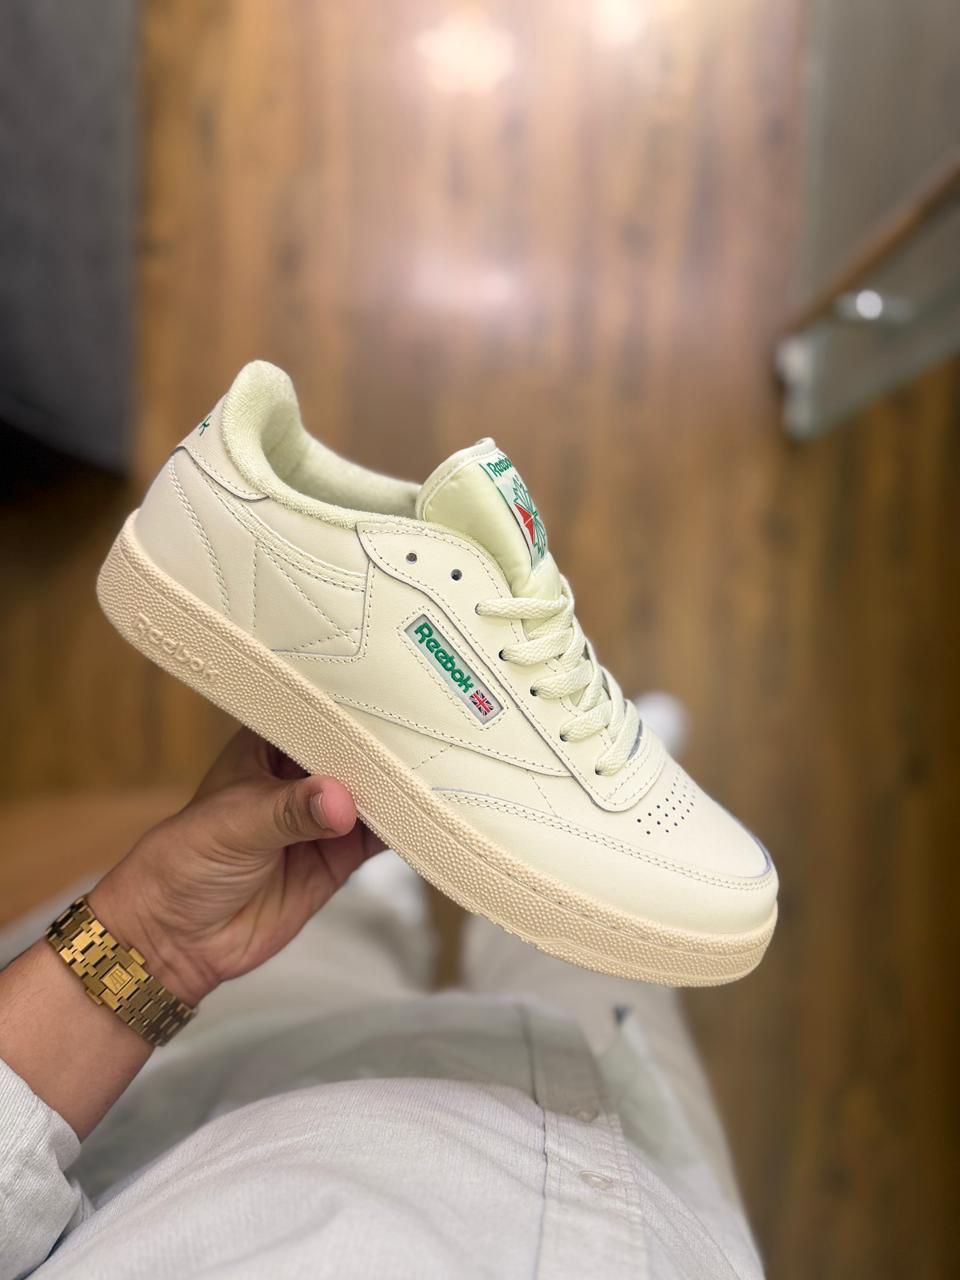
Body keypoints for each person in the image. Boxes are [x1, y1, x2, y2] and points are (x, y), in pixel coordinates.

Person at [0, 730, 764, 1279]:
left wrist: (154, 943)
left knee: (320, 910)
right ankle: (568, 814)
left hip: (251, 1093)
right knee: (614, 953)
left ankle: (378, 888)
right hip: (648, 1183)